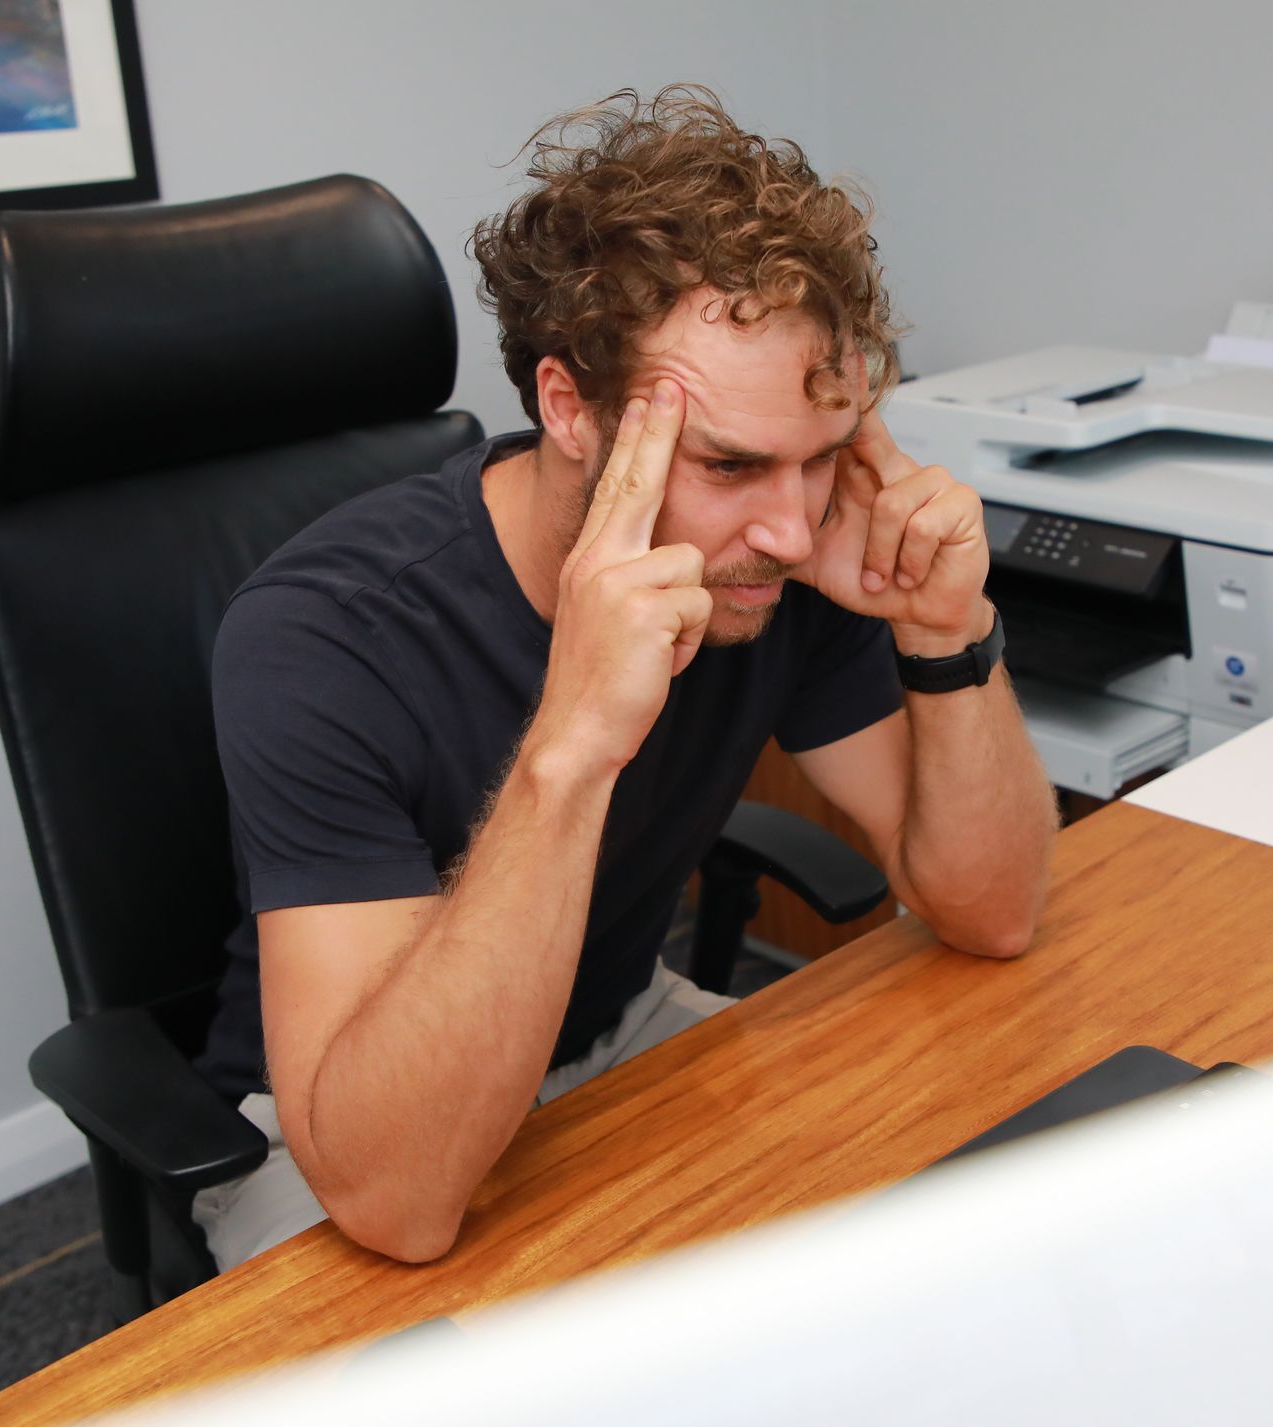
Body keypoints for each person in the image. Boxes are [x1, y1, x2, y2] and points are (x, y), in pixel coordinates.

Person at [190, 86, 1058, 1270]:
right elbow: (397, 1197)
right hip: (332, 1132)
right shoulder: (325, 634)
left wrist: (943, 627)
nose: (794, 528)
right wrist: (574, 738)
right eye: (731, 462)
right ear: (569, 409)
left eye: (818, 459)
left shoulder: (784, 561)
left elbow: (992, 909)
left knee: (927, 1239)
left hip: (621, 1025)